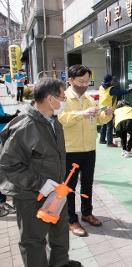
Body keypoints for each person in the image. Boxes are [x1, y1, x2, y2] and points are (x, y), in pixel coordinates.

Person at [0, 78, 81, 267]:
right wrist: (40, 184)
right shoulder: (25, 127)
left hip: (56, 191)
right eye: (62, 97)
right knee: (33, 241)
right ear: (50, 98)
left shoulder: (53, 122)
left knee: (60, 235)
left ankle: (60, 263)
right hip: (31, 196)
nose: (64, 102)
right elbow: (7, 165)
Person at [58, 65, 113, 237]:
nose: (84, 84)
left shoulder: (90, 99)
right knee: (69, 187)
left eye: (87, 81)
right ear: (70, 80)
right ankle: (71, 219)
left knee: (87, 184)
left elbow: (98, 120)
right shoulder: (63, 98)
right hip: (70, 150)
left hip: (89, 149)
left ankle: (87, 213)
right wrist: (82, 113)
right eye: (80, 81)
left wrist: (108, 115)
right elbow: (61, 120)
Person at [98, 74, 132, 147]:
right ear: (110, 81)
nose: (113, 81)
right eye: (112, 80)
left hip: (101, 108)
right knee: (109, 126)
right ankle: (109, 143)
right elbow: (121, 91)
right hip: (108, 109)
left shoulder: (101, 87)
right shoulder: (111, 89)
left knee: (104, 125)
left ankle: (102, 140)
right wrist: (131, 89)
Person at [0, 102, 19, 217]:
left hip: (2, 139)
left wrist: (11, 115)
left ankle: (2, 202)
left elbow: (3, 115)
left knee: (4, 173)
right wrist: (12, 117)